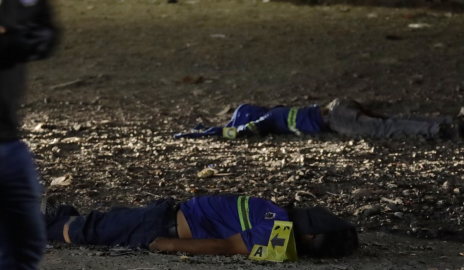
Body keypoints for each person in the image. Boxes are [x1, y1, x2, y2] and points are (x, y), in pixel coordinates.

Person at [0, 1, 59, 269]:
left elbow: (45, 35)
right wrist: (11, 38)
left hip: (7, 141)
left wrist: (4, 37)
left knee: (26, 246)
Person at [43, 195, 359, 257]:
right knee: (108, 219)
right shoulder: (280, 222)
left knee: (91, 231)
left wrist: (167, 245)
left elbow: (226, 246)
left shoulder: (278, 225)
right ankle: (62, 215)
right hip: (167, 214)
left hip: (163, 225)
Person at [173, 99, 464, 140]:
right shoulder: (277, 110)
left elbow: (239, 132)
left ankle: (444, 129)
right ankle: (448, 119)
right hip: (337, 105)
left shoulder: (265, 119)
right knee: (389, 119)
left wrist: (205, 134)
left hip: (334, 119)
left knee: (383, 127)